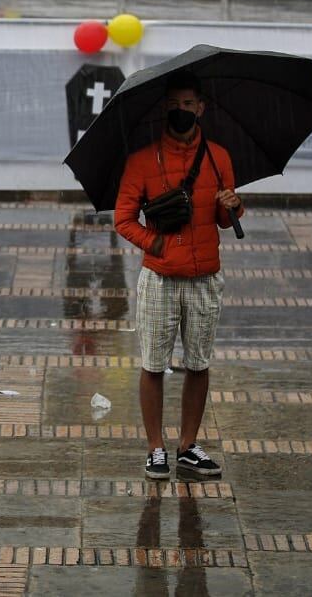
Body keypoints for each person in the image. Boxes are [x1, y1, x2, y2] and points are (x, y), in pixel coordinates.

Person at [113, 70, 243, 480]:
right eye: (174, 105)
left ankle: (188, 446)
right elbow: (123, 219)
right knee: (153, 365)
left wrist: (233, 205)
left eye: (188, 104)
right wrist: (158, 246)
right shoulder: (142, 159)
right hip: (160, 278)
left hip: (206, 277)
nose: (181, 111)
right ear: (164, 109)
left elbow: (224, 220)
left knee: (199, 364)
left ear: (201, 108)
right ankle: (155, 449)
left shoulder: (219, 157)